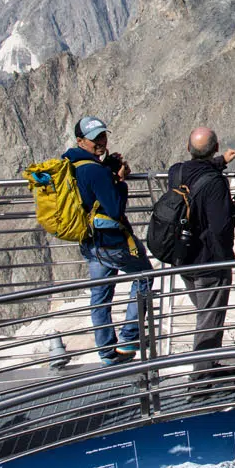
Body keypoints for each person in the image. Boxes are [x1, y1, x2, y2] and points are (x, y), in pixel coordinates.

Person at [64, 115, 148, 365]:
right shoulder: (94, 171)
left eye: (102, 136)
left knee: (100, 297)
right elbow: (114, 207)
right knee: (145, 277)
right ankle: (129, 339)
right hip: (111, 240)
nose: (101, 141)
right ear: (81, 141)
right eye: (95, 139)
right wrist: (120, 181)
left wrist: (108, 170)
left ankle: (107, 352)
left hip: (90, 242)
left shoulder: (72, 164)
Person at [167, 128, 235, 376]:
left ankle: (209, 365)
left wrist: (219, 162)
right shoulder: (216, 183)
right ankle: (200, 380)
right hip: (210, 261)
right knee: (209, 320)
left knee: (205, 314)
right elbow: (221, 227)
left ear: (188, 149)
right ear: (217, 146)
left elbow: (198, 171)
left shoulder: (176, 172)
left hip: (183, 257)